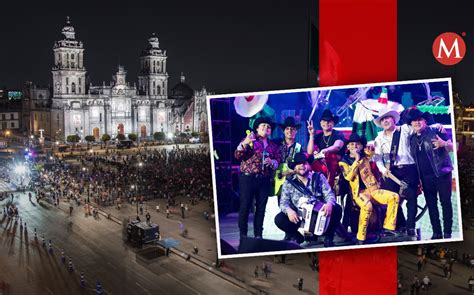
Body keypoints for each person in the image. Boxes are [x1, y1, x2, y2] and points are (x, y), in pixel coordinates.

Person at [339, 133, 400, 244]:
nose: (355, 147)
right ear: (348, 147)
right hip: (358, 194)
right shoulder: (343, 161)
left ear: (361, 146)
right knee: (367, 206)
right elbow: (348, 176)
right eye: (352, 144)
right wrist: (356, 160)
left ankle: (388, 228)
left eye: (357, 144)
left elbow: (372, 149)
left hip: (373, 190)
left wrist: (369, 147)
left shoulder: (365, 155)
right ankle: (361, 238)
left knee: (394, 197)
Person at [275, 152, 343, 247]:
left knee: (337, 209)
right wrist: (289, 210)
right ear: (294, 167)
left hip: (319, 216)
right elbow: (283, 202)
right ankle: (297, 236)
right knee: (279, 219)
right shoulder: (289, 182)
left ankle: (328, 238)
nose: (302, 166)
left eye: (304, 163)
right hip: (300, 218)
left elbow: (329, 194)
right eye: (298, 164)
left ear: (309, 165)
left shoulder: (319, 177)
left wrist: (329, 204)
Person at [407, 108, 454, 239]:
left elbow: (453, 146)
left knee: (445, 203)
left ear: (425, 121)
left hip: (442, 174)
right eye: (414, 121)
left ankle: (448, 233)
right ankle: (437, 233)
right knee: (432, 206)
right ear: (411, 124)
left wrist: (443, 143)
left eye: (419, 119)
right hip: (425, 178)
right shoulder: (411, 139)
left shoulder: (436, 130)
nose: (417, 122)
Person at [373, 108, 419, 237]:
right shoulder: (379, 138)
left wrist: (436, 126)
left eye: (387, 118)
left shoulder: (404, 129)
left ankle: (410, 227)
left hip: (409, 169)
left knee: (411, 198)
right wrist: (382, 170)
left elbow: (419, 127)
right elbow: (377, 159)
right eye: (382, 120)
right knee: (393, 198)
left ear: (393, 119)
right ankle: (401, 225)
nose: (385, 121)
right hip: (391, 172)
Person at [235, 117, 281, 239]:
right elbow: (237, 155)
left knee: (261, 208)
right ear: (257, 128)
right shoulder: (250, 140)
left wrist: (272, 162)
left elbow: (278, 161)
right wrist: (244, 143)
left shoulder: (273, 145)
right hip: (248, 179)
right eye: (263, 126)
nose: (266, 128)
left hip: (264, 179)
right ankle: (243, 236)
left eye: (268, 127)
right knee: (245, 207)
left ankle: (258, 235)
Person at [273, 117, 302, 197]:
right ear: (283, 130)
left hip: (292, 180)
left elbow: (301, 165)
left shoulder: (298, 147)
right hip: (275, 180)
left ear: (296, 131)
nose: (289, 131)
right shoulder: (276, 143)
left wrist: (291, 171)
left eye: (292, 129)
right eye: (287, 128)